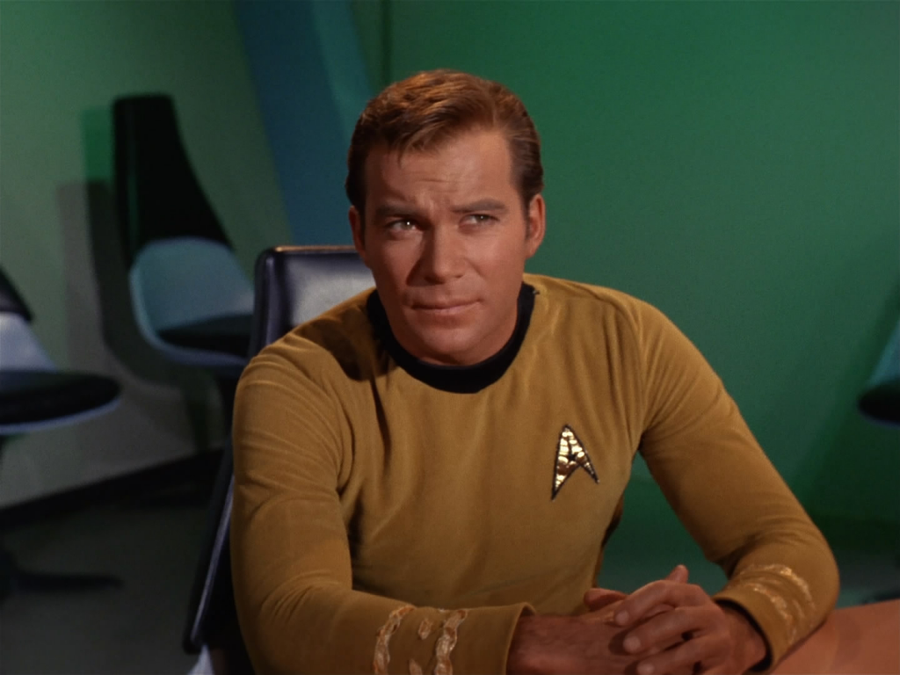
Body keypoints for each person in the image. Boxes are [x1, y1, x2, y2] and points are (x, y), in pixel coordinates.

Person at [230, 69, 839, 674]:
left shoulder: (628, 342)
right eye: (404, 224)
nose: (441, 266)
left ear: (533, 224)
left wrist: (735, 629)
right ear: (361, 236)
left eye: (478, 218)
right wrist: (539, 645)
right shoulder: (294, 385)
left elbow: (784, 543)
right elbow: (287, 621)